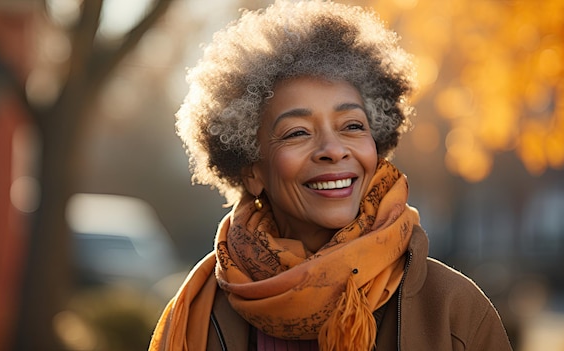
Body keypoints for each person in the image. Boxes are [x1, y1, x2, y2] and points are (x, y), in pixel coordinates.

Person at [149, 1, 512, 350]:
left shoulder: (455, 312)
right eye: (297, 132)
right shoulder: (202, 313)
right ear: (253, 172)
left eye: (352, 125)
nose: (333, 149)